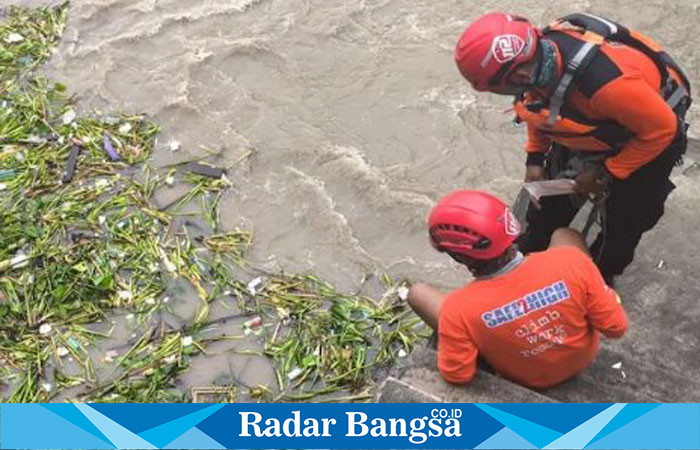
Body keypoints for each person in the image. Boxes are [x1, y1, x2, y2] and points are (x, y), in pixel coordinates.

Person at [453, 13, 692, 285]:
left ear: (517, 75)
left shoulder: (607, 86)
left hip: (649, 132)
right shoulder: (536, 60)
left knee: (625, 220)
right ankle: (529, 257)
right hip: (596, 123)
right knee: (545, 205)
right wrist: (535, 158)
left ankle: (602, 273)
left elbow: (663, 131)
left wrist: (608, 173)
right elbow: (536, 105)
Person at [408, 189, 627, 389]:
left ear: (458, 256)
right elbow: (616, 327)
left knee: (417, 293)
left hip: (526, 377)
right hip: (580, 359)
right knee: (566, 235)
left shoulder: (458, 310)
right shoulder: (572, 262)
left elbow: (458, 375)